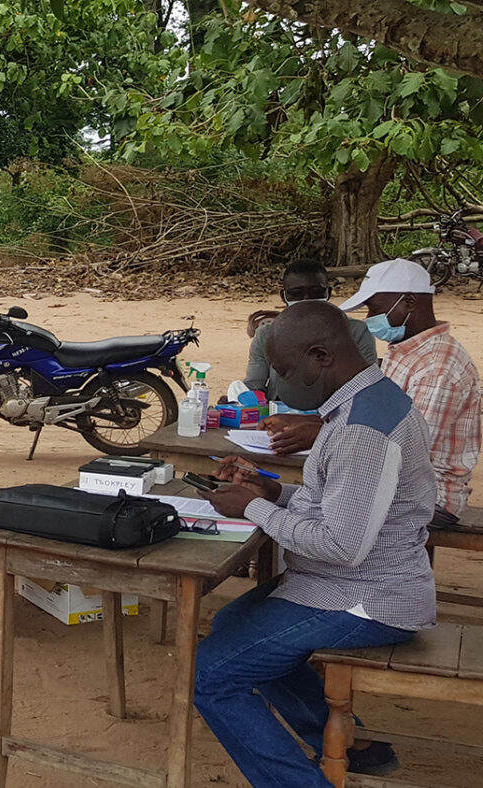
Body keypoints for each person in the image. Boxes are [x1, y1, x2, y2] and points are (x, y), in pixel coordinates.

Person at [196, 302, 436, 786]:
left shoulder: (360, 431)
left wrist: (252, 508)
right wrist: (270, 491)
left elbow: (341, 544)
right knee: (232, 623)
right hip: (348, 581)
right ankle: (354, 744)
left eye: (284, 371)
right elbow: (339, 500)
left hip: (366, 596)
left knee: (212, 675)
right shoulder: (367, 400)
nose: (278, 384)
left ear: (320, 356)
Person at [263, 259, 481, 527]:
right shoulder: (407, 349)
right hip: (393, 480)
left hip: (427, 497)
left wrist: (320, 433)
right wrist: (316, 423)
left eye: (374, 309)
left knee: (309, 512)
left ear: (409, 302)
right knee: (295, 494)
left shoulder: (437, 368)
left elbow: (406, 447)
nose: (369, 319)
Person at [242, 261, 376, 402]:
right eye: (296, 294)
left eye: (316, 293)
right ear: (284, 296)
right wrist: (241, 400)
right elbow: (254, 385)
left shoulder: (356, 333)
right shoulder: (266, 335)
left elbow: (366, 388)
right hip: (279, 414)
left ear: (328, 293)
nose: (307, 300)